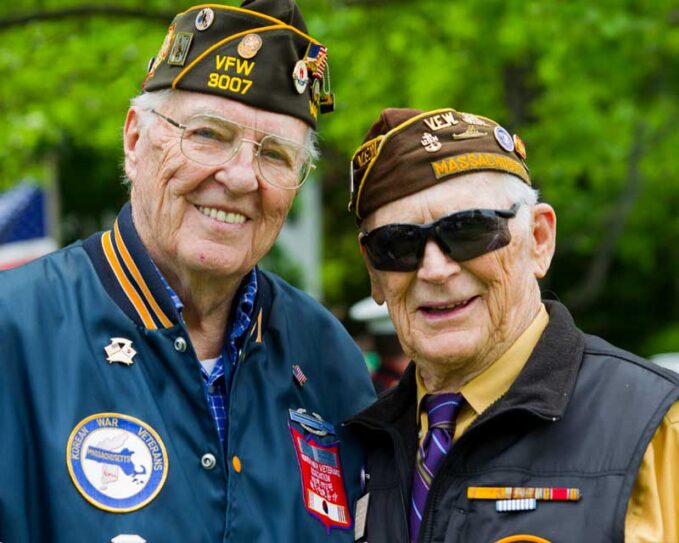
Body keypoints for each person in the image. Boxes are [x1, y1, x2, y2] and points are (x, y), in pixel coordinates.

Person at [0, 2, 375, 542]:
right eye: (208, 135)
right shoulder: (15, 333)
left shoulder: (327, 358)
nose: (242, 176)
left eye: (275, 155)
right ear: (134, 141)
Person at [344, 107, 679, 542]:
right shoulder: (353, 445)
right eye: (397, 244)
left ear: (539, 240)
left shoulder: (656, 427)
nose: (434, 269)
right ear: (373, 272)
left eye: (467, 231)